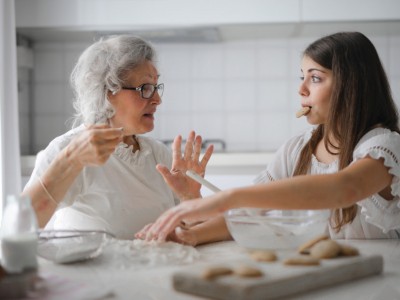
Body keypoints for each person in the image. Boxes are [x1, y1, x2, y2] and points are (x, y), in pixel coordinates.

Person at [141, 31, 400, 243]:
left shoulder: (384, 147)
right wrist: (192, 234)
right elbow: (250, 213)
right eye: (302, 77)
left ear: (351, 85)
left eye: (316, 78)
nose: (301, 89)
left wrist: (230, 196)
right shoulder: (297, 150)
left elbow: (346, 188)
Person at [22, 35, 213, 240]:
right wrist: (70, 161)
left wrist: (190, 198)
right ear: (107, 92)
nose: (158, 99)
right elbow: (21, 226)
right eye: (145, 88)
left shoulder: (157, 154)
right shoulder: (69, 149)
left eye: (156, 87)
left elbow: (193, 232)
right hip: (91, 272)